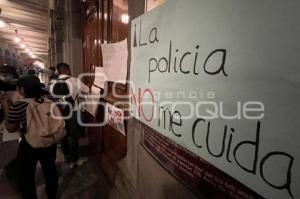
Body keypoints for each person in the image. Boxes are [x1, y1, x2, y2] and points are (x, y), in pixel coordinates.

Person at [3, 75, 63, 199]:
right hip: (50, 141)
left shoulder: (20, 105)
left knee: (26, 175)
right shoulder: (50, 99)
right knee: (50, 169)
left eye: (18, 88)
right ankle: (52, 195)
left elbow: (10, 128)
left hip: (30, 144)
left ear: (22, 89)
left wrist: (6, 107)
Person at [50, 63, 89, 168]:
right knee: (74, 137)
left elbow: (53, 98)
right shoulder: (75, 80)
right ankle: (74, 160)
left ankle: (66, 156)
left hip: (60, 113)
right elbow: (87, 90)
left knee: (63, 135)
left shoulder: (53, 83)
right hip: (74, 112)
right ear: (67, 70)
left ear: (58, 71)